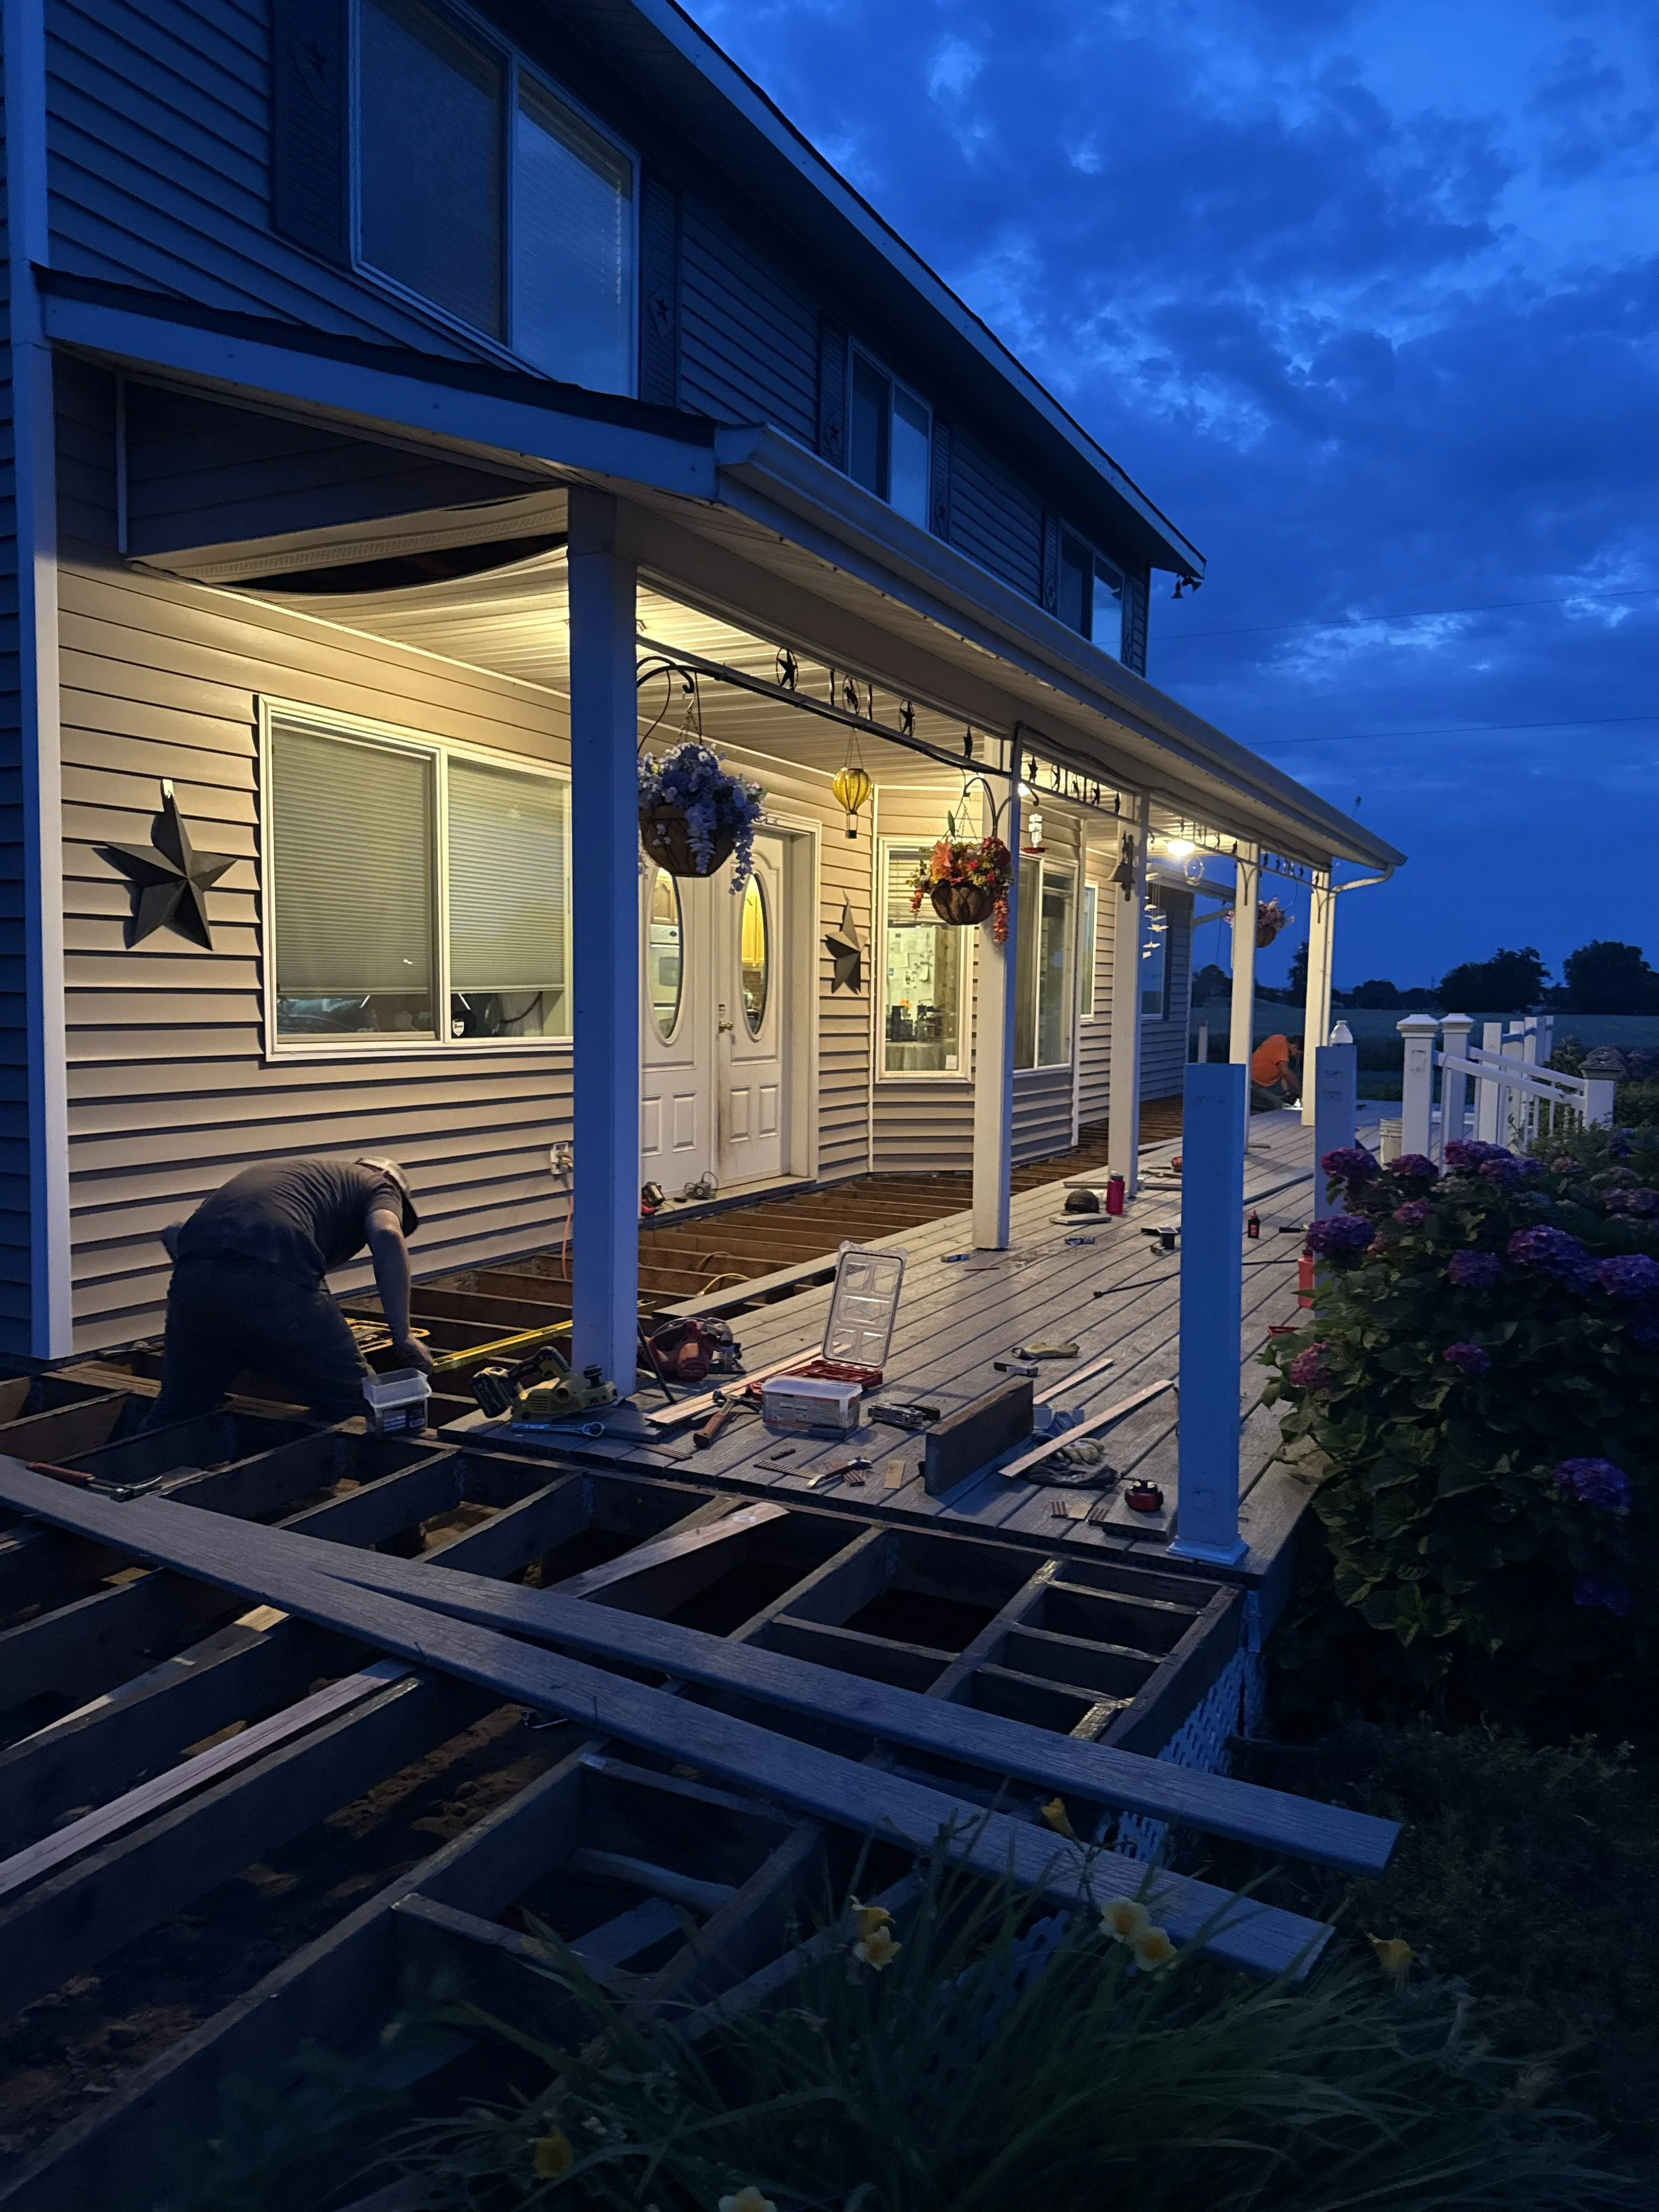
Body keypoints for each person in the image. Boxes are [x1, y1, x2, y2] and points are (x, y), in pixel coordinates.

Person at [151, 1155, 434, 1425]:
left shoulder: (306, 1178)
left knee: (178, 1409)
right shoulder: (379, 1185)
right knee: (356, 1403)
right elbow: (386, 1232)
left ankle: (130, 1472)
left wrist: (229, 1301)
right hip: (274, 1276)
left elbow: (172, 1234)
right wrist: (403, 1335)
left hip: (191, 1280)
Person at [1250, 1031, 1303, 1108]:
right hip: (1252, 1082)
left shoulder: (1278, 1038)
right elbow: (1285, 1071)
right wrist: (1300, 1090)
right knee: (1276, 1105)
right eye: (1297, 1054)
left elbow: (1282, 1075)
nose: (1296, 1057)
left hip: (1259, 1084)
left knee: (1279, 1102)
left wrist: (1287, 1092)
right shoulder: (1281, 1046)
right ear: (1294, 1047)